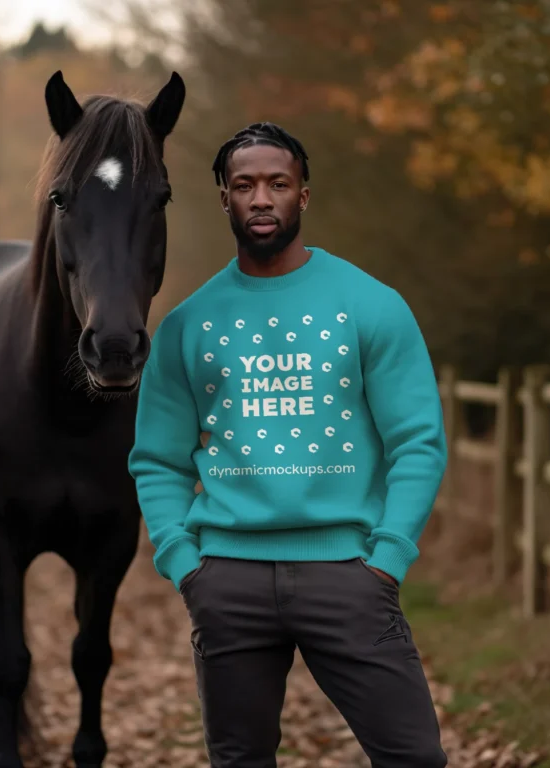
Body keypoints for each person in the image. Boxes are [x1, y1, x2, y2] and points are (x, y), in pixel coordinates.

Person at [128, 122, 449, 768]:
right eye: (244, 185)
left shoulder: (370, 306)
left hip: (349, 576)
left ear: (304, 195)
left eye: (278, 183)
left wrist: (387, 559)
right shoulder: (188, 325)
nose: (262, 198)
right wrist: (184, 564)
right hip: (227, 582)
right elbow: (157, 460)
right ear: (223, 197)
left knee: (416, 759)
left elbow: (417, 441)